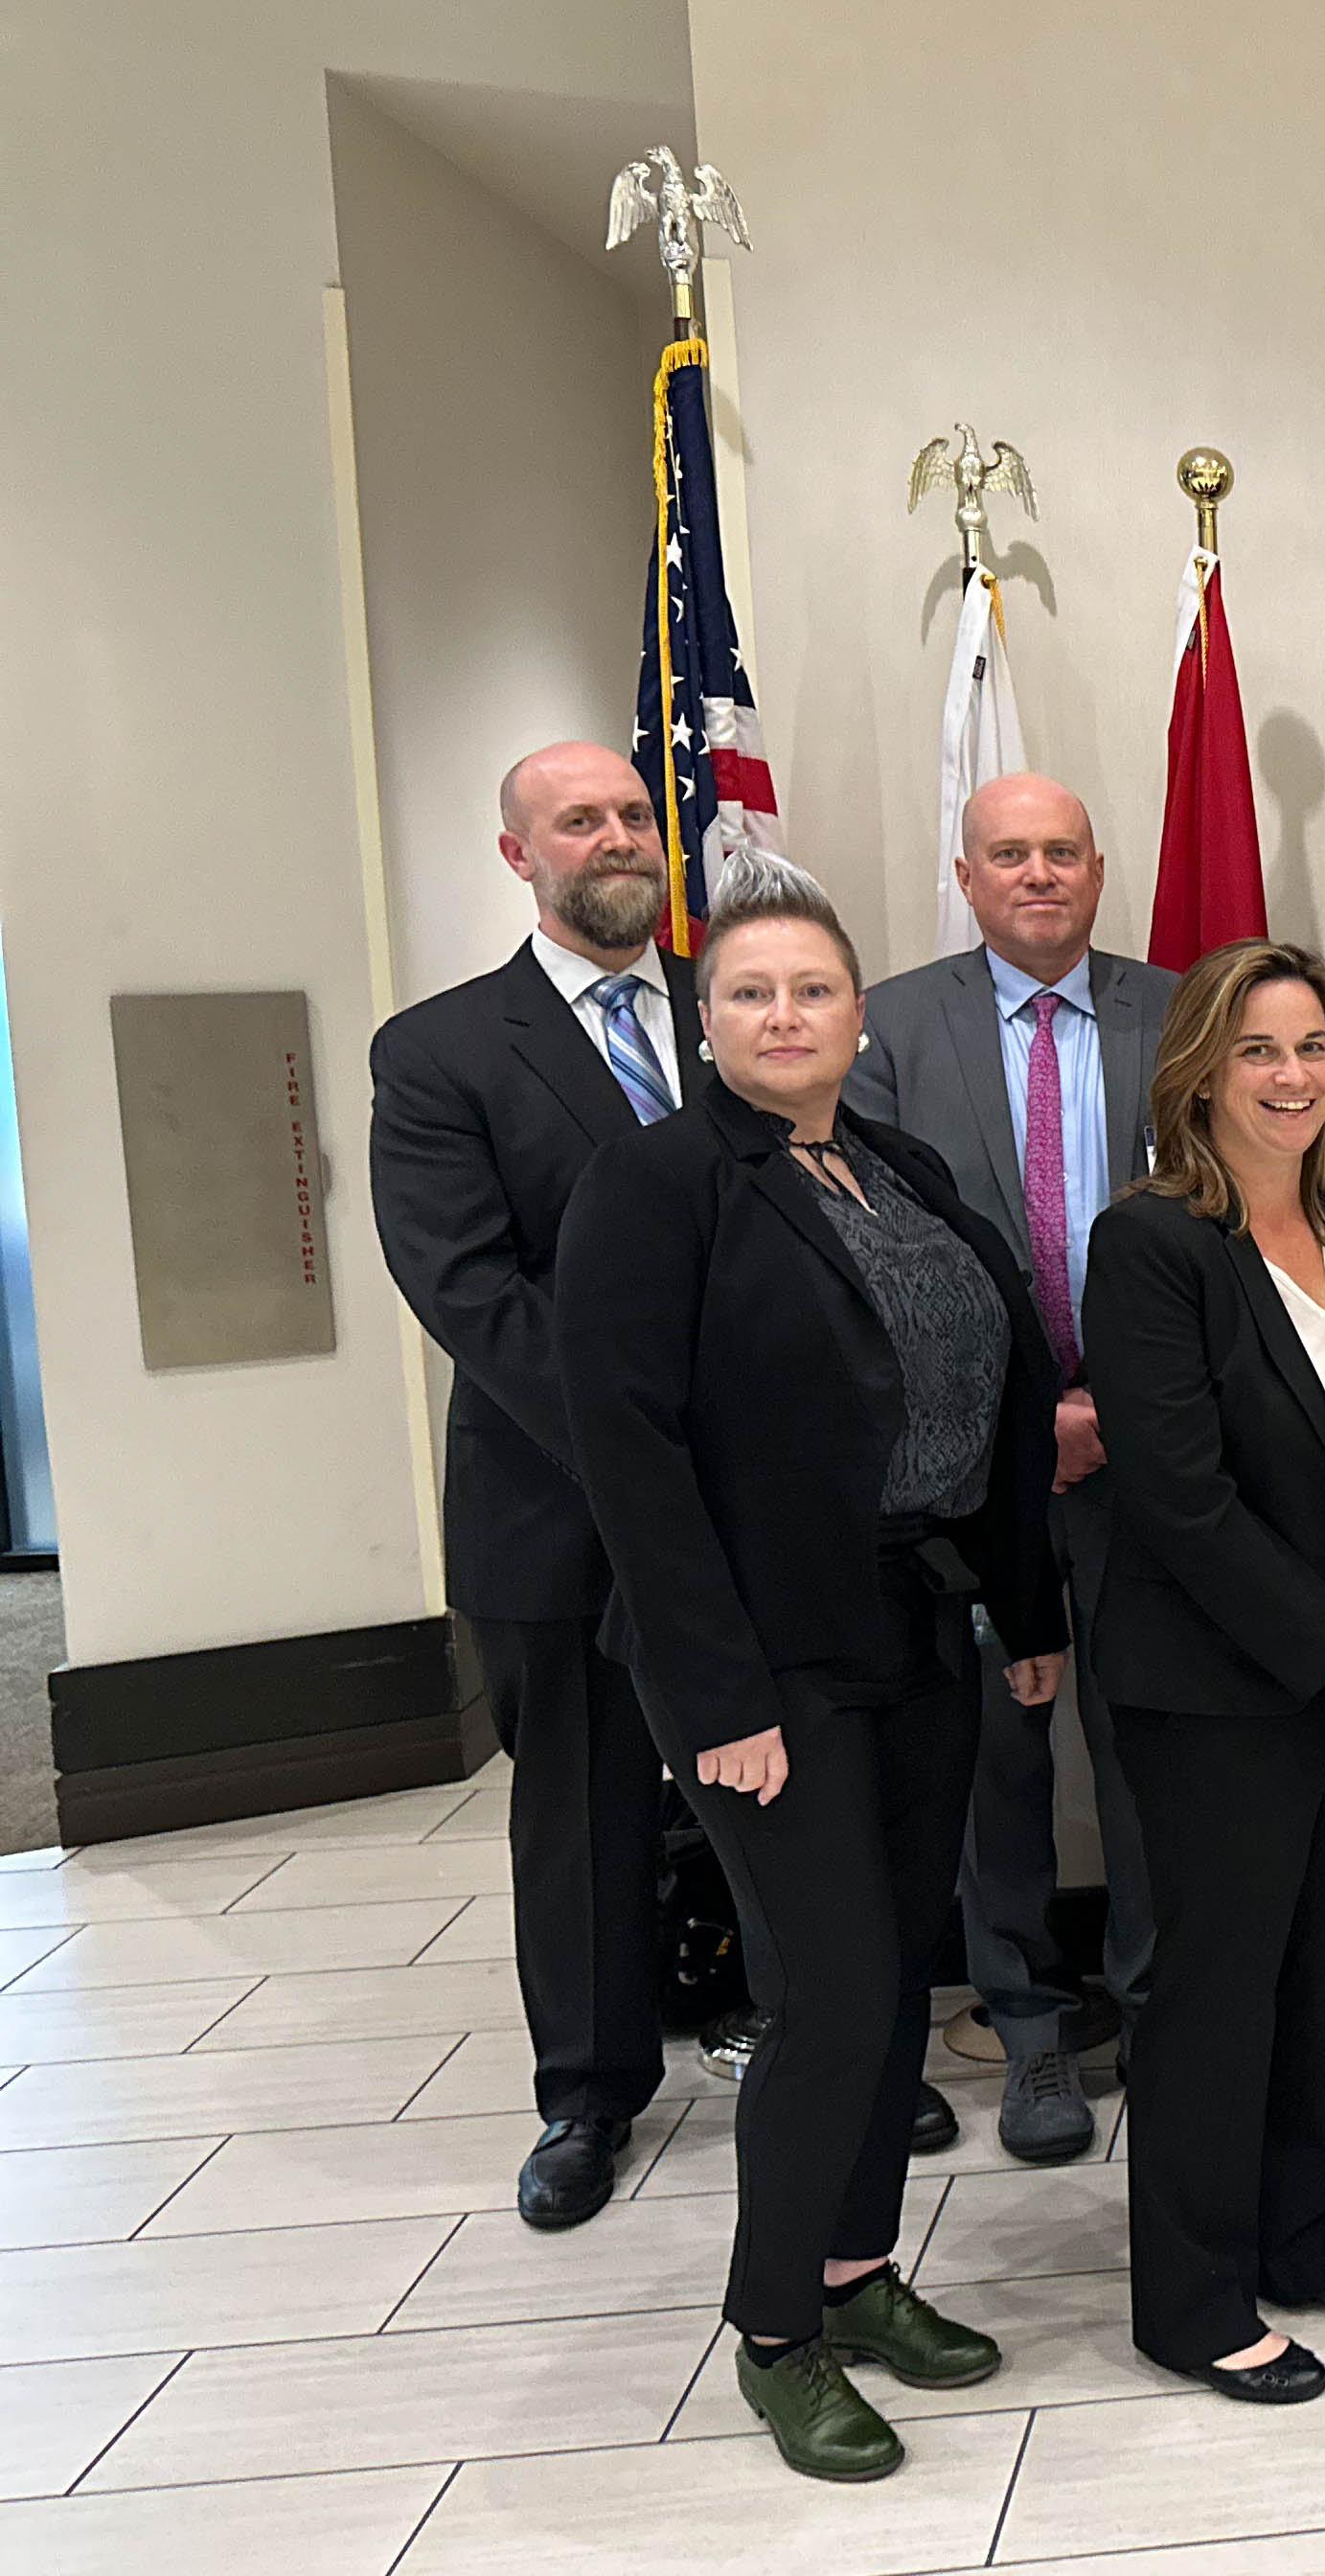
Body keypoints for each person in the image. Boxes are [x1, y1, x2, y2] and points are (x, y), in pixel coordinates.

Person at [557, 859, 1062, 2482]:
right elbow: (628, 1457)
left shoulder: (893, 1161)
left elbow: (994, 1391)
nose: (787, 1014)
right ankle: (776, 2327)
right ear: (705, 1023)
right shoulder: (654, 1186)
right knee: (832, 1990)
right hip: (762, 1664)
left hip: (914, 1625)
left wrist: (1029, 1606)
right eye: (753, 993)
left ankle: (855, 2271)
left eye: (815, 989)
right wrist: (720, 1701)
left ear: (860, 1010)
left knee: (897, 1983)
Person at [1085, 940, 1325, 2402]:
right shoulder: (1154, 1243)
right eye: (1257, 1050)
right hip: (1230, 1692)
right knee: (1220, 1988)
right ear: (1199, 1069)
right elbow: (1177, 1498)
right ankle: (1190, 2293)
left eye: (1309, 1046)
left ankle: (1306, 2225)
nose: (1290, 1074)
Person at [367, 741, 708, 2232]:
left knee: (788, 1776)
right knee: (582, 1805)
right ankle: (589, 2091)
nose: (619, 837)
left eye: (636, 814)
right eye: (582, 820)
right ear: (520, 856)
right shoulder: (441, 1052)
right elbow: (472, 1293)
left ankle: (813, 2036)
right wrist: (645, 1453)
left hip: (766, 1495)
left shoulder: (744, 1005)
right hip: (557, 1500)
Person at [844, 772, 1175, 2162]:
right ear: (967, 876)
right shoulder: (895, 1025)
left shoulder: (1181, 1012)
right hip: (978, 1462)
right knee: (997, 1755)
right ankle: (1029, 2026)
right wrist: (1027, 1410)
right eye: (1008, 856)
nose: (1038, 875)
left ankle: (1168, 2019)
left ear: (1100, 872)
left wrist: (1118, 1398)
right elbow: (866, 1243)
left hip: (1157, 1447)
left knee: (1154, 1743)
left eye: (1062, 854)